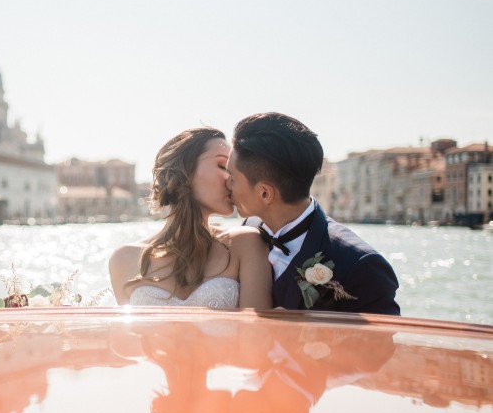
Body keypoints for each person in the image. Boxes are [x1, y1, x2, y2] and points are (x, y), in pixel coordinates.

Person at [227, 112, 400, 315]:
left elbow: (378, 345)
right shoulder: (247, 231)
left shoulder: (361, 266)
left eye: (232, 177)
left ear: (265, 193)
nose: (226, 184)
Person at [109, 127, 272, 308]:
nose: (231, 179)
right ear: (184, 169)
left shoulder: (246, 244)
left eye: (235, 171)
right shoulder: (123, 259)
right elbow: (127, 336)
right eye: (222, 166)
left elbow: (258, 332)